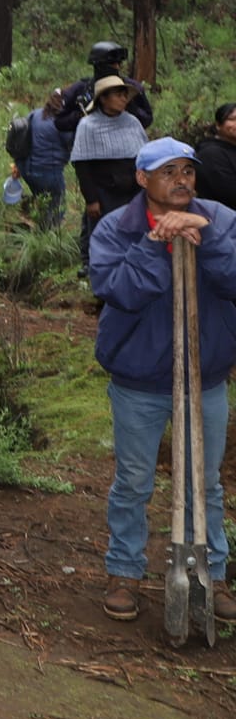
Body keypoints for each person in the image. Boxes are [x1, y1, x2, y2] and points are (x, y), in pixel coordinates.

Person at [88, 138, 236, 624]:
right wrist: (156, 245)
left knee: (206, 483)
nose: (181, 181)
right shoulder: (117, 228)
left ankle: (209, 577)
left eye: (187, 172)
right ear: (142, 179)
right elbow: (118, 291)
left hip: (206, 376)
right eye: (167, 171)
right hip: (140, 380)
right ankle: (125, 572)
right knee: (133, 481)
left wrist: (204, 233)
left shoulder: (221, 218)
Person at [74, 76, 153, 261]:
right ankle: (100, 269)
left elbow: (143, 157)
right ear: (103, 98)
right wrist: (91, 199)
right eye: (118, 95)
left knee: (135, 229)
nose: (124, 99)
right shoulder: (88, 126)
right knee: (104, 233)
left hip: (133, 189)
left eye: (125, 95)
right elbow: (82, 165)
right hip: (104, 192)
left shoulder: (132, 122)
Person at [57, 40, 154, 142]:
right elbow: (59, 122)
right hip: (90, 146)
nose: (117, 66)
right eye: (112, 63)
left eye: (119, 63)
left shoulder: (131, 88)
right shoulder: (81, 88)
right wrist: (80, 115)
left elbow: (147, 119)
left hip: (125, 145)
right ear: (98, 65)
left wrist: (130, 107)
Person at [11, 87, 71, 227]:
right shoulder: (62, 122)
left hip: (27, 169)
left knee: (42, 199)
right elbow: (72, 143)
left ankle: (33, 222)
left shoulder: (35, 114)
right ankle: (48, 238)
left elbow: (21, 138)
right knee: (57, 206)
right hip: (49, 172)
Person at [195, 104, 236, 210]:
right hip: (222, 218)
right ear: (218, 125)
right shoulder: (211, 154)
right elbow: (228, 193)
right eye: (232, 119)